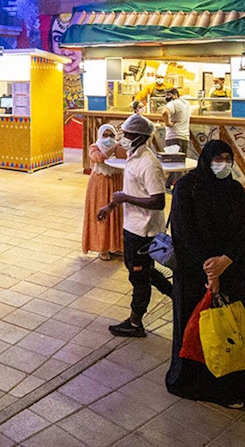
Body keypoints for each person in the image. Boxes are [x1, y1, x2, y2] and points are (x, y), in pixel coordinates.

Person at [165, 140, 245, 409]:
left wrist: (225, 260)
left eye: (228, 158)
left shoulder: (235, 190)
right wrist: (209, 268)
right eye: (218, 158)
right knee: (194, 327)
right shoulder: (187, 189)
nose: (224, 163)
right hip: (195, 275)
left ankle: (227, 388)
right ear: (206, 160)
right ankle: (190, 382)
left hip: (231, 271)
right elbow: (183, 234)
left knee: (228, 329)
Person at [96, 113, 172, 338]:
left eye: (127, 135)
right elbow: (129, 191)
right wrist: (111, 206)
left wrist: (125, 200)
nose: (123, 138)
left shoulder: (149, 163)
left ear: (139, 137)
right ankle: (179, 297)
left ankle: (135, 322)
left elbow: (159, 201)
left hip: (145, 230)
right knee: (143, 271)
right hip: (133, 226)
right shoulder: (133, 157)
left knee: (139, 275)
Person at [84, 125, 126, 259]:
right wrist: (113, 147)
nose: (108, 138)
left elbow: (126, 157)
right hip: (100, 183)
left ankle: (116, 245)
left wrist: (122, 144)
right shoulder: (94, 147)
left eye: (111, 135)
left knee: (117, 215)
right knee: (102, 214)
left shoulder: (119, 147)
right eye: (105, 135)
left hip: (116, 181)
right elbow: (100, 158)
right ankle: (102, 247)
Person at [161, 87, 191, 156]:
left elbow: (164, 112)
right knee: (182, 163)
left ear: (175, 95)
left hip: (173, 137)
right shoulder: (186, 103)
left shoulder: (173, 103)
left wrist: (168, 123)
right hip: (185, 137)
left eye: (168, 95)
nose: (166, 97)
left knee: (173, 164)